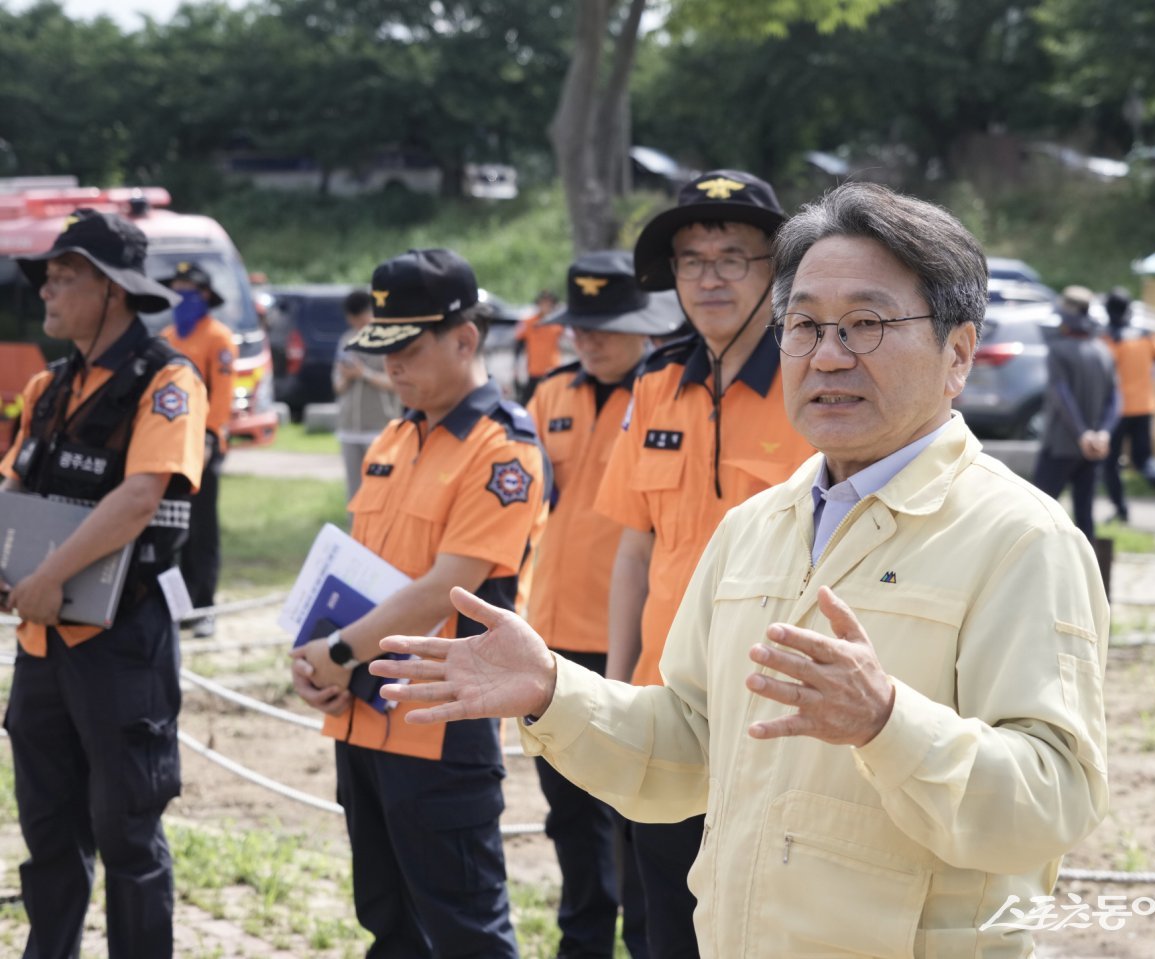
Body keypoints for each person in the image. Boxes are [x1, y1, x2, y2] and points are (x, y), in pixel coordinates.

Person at [371, 182, 1110, 959]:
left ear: (958, 352)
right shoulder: (754, 528)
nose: (828, 355)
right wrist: (555, 689)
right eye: (805, 326)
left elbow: (1054, 799)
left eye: (866, 324)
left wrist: (887, 723)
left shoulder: (1020, 539)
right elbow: (689, 747)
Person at [289, 248, 547, 958]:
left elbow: (445, 586)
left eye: (407, 349)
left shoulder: (502, 450)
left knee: (466, 934)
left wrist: (339, 652)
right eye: (383, 350)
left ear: (465, 339)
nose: (392, 366)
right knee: (389, 925)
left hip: (440, 723)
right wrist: (316, 661)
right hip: (362, 714)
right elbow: (358, 570)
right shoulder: (397, 436)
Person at [591, 169, 815, 957]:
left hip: (773, 715)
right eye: (691, 259)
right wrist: (615, 691)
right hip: (666, 708)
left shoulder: (814, 381)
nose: (709, 278)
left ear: (775, 271)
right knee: (659, 926)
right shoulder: (655, 383)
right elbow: (634, 549)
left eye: (733, 257)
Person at [0, 208, 208, 959]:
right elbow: (13, 488)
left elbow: (140, 497)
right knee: (49, 833)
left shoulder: (167, 380)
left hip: (121, 642)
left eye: (64, 278)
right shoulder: (48, 385)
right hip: (43, 644)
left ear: (112, 290)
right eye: (47, 278)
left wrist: (47, 576)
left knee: (128, 835)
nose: (46, 292)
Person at [525, 250, 682, 959]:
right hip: (550, 637)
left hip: (632, 640)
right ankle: (581, 945)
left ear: (644, 325)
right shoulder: (550, 394)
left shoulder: (665, 395)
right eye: (580, 325)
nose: (587, 339)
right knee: (571, 818)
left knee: (641, 821)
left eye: (605, 326)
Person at [159, 260, 237, 637]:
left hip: (202, 446)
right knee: (170, 529)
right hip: (168, 446)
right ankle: (177, 607)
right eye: (176, 287)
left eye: (188, 288)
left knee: (202, 529)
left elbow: (222, 395)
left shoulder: (218, 338)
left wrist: (208, 437)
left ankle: (204, 607)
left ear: (205, 294)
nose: (181, 294)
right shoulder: (167, 337)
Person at [1032, 285, 1121, 543]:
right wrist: (1103, 433)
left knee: (1038, 510)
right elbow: (1115, 398)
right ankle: (1088, 567)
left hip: (1060, 446)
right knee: (1085, 515)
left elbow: (1061, 396)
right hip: (1093, 450)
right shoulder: (1103, 350)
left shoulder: (1058, 350)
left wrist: (1081, 434)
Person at [1100, 285, 1155, 522]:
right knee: (1143, 457)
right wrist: (1147, 378)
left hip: (1116, 410)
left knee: (1110, 462)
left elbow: (1104, 373)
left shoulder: (1108, 339)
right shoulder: (1146, 335)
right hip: (1145, 405)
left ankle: (1121, 510)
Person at [332, 288, 401, 501]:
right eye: (353, 321)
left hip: (380, 428)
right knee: (354, 493)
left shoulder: (388, 340)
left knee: (380, 492)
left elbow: (397, 384)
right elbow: (337, 386)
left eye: (362, 320)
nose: (358, 326)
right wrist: (348, 376)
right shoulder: (346, 340)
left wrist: (364, 373)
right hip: (349, 427)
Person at [514, 289, 564, 401]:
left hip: (552, 368)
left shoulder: (558, 322)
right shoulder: (529, 322)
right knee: (528, 400)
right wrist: (517, 366)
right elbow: (518, 343)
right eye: (543, 303)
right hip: (534, 369)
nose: (545, 306)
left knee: (553, 400)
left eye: (548, 303)